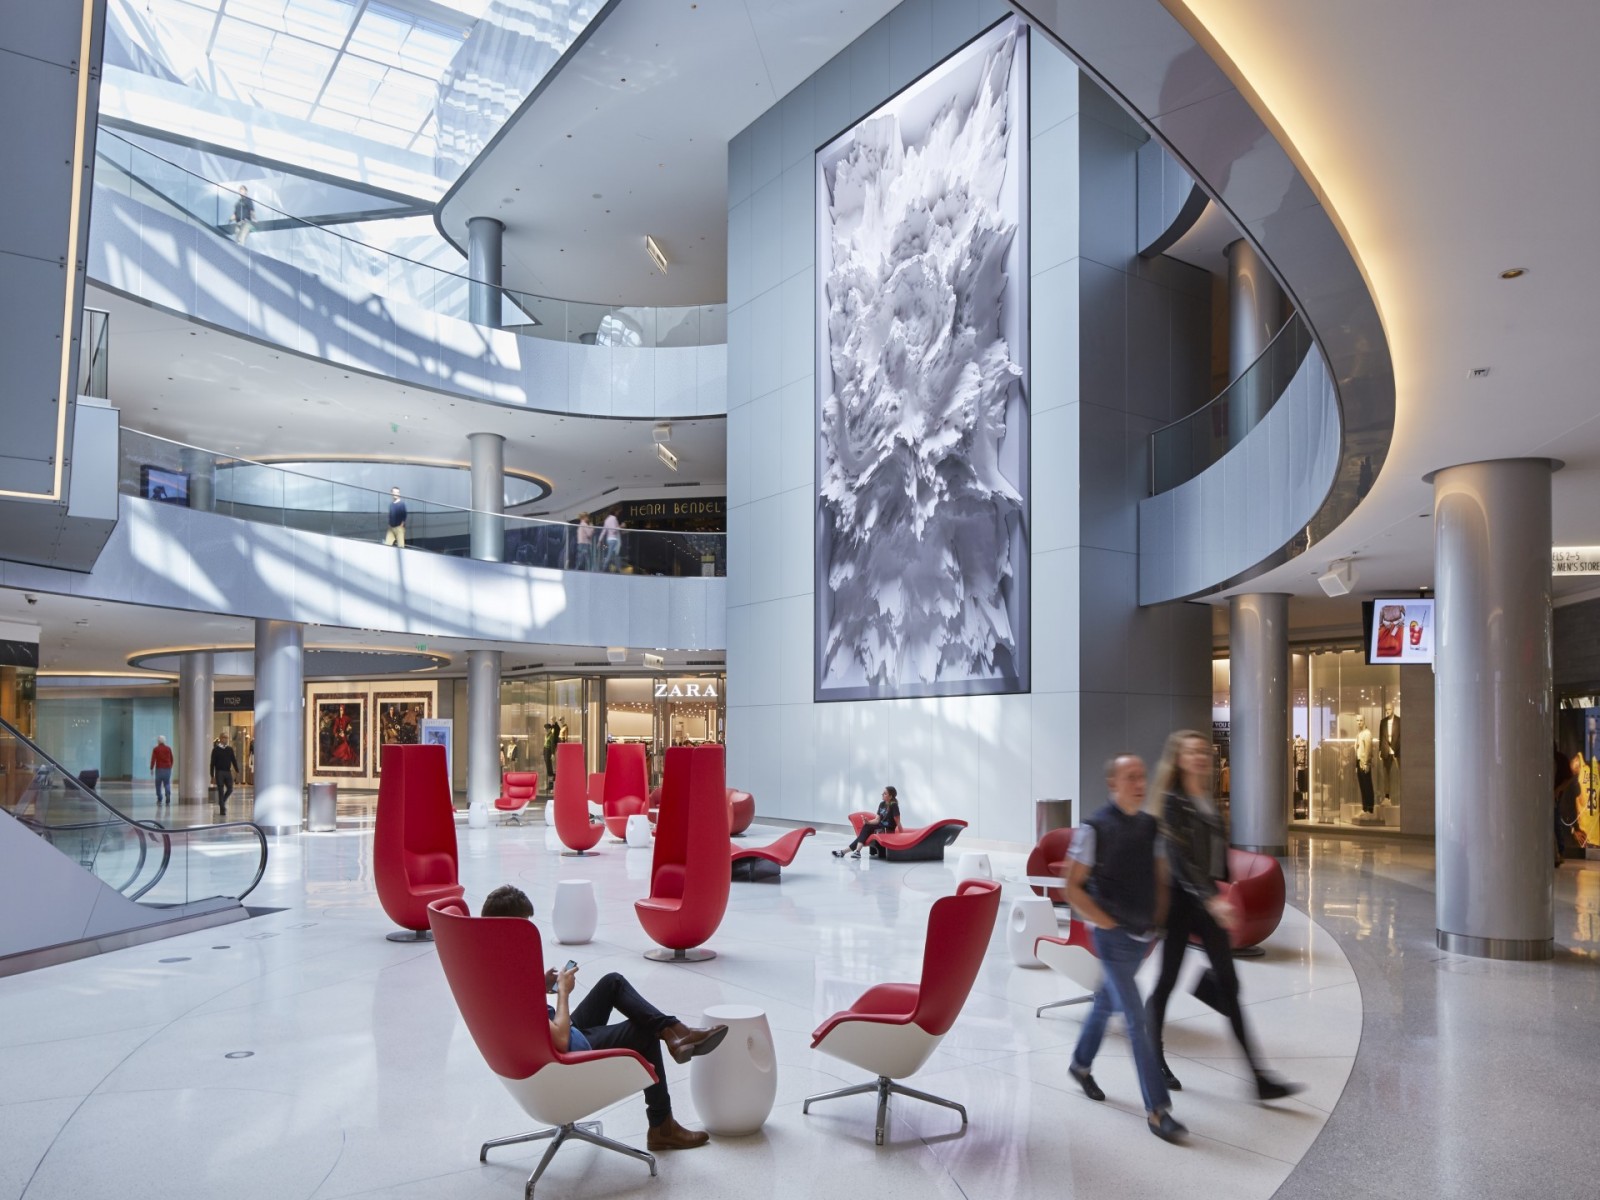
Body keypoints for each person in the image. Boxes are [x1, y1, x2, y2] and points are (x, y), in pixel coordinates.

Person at [480, 885, 725, 1150]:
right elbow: (560, 1041)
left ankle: (676, 1032)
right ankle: (661, 1126)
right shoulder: (511, 979)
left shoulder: (491, 967)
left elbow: (525, 1015)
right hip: (562, 1054)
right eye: (523, 929)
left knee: (612, 983)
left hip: (549, 1038)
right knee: (643, 1032)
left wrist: (538, 986)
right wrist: (563, 992)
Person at [1145, 731, 1302, 1103]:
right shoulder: (1173, 802)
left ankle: (1258, 1078)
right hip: (1184, 905)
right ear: (1178, 759)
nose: (1201, 757)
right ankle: (1153, 1058)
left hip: (1208, 900)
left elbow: (1215, 856)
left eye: (1203, 751)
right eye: (1192, 752)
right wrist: (1210, 898)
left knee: (1230, 986)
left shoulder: (1208, 800)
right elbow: (1181, 859)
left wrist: (1223, 893)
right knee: (1166, 981)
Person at [1063, 754, 1186, 1143]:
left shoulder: (1150, 826)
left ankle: (1080, 1065)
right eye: (1130, 776)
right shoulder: (1095, 827)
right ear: (1112, 784)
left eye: (1142, 775)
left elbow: (1159, 876)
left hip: (1141, 935)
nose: (1139, 782)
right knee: (1137, 1019)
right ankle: (1157, 1110)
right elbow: (1071, 887)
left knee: (1105, 1002)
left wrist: (1158, 921)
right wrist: (1103, 921)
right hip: (1113, 938)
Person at [833, 785, 900, 858]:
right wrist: (868, 822)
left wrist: (901, 833)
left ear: (890, 796)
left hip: (887, 830)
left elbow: (897, 820)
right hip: (880, 827)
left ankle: (847, 852)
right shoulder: (882, 804)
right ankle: (853, 852)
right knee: (866, 828)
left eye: (885, 793)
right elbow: (877, 820)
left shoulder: (893, 805)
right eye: (883, 793)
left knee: (864, 832)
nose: (882, 794)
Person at [211, 734, 240, 816]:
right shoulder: (216, 750)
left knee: (230, 789)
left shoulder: (229, 749)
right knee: (221, 790)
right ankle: (222, 809)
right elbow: (212, 763)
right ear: (220, 739)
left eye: (227, 738)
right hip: (219, 772)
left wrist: (237, 770)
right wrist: (212, 776)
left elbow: (233, 760)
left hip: (228, 772)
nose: (226, 739)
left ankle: (221, 802)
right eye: (224, 738)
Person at [1354, 715, 1375, 813]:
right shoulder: (1359, 734)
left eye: (1361, 720)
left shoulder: (1367, 733)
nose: (1359, 722)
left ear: (1364, 721)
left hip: (1364, 762)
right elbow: (1357, 749)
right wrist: (1356, 764)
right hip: (1359, 762)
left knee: (1367, 785)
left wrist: (1367, 763)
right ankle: (1365, 807)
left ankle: (1370, 808)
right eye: (1357, 720)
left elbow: (1368, 749)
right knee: (1362, 786)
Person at [150, 735, 173, 807]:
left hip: (159, 769)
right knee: (167, 783)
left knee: (158, 785)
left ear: (158, 741)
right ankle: (168, 793)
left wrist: (151, 768)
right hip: (167, 768)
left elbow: (153, 759)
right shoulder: (168, 749)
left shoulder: (156, 749)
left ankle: (160, 798)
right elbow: (172, 759)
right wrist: (170, 767)